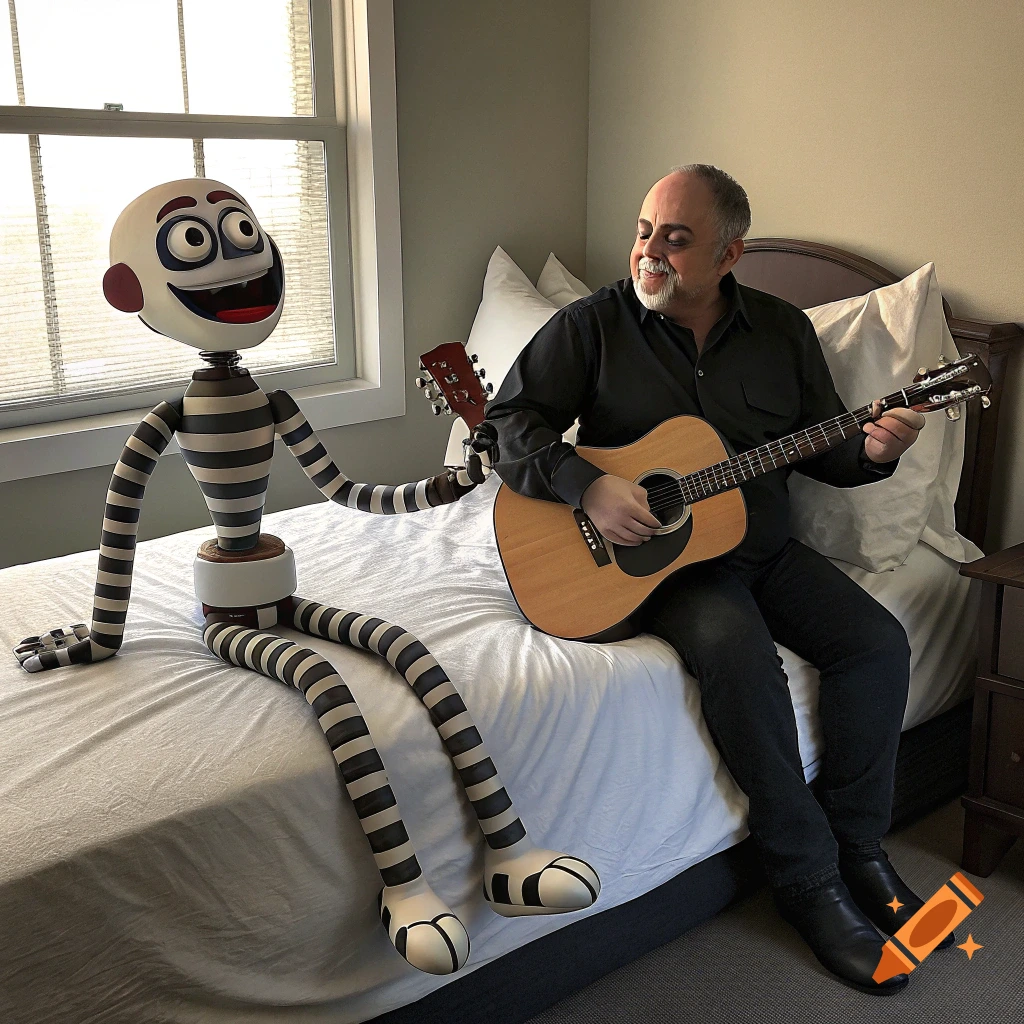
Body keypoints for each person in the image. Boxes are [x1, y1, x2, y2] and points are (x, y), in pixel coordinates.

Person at [483, 164, 947, 995]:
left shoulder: (780, 332)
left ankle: (863, 853)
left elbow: (824, 445)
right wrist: (586, 484)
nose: (648, 252)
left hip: (763, 545)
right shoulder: (594, 324)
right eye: (643, 230)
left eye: (675, 237)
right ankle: (807, 882)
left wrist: (875, 451)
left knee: (877, 643)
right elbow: (508, 423)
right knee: (740, 658)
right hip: (663, 566)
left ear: (730, 253)